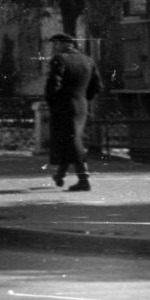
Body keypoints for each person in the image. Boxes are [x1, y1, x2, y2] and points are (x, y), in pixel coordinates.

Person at [45, 32, 102, 192]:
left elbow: (53, 84)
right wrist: (83, 99)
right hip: (81, 106)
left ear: (67, 44)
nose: (54, 47)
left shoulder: (60, 59)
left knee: (71, 141)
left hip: (63, 106)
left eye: (56, 44)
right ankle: (60, 175)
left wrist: (53, 102)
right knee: (70, 139)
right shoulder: (88, 60)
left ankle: (83, 179)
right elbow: (97, 86)